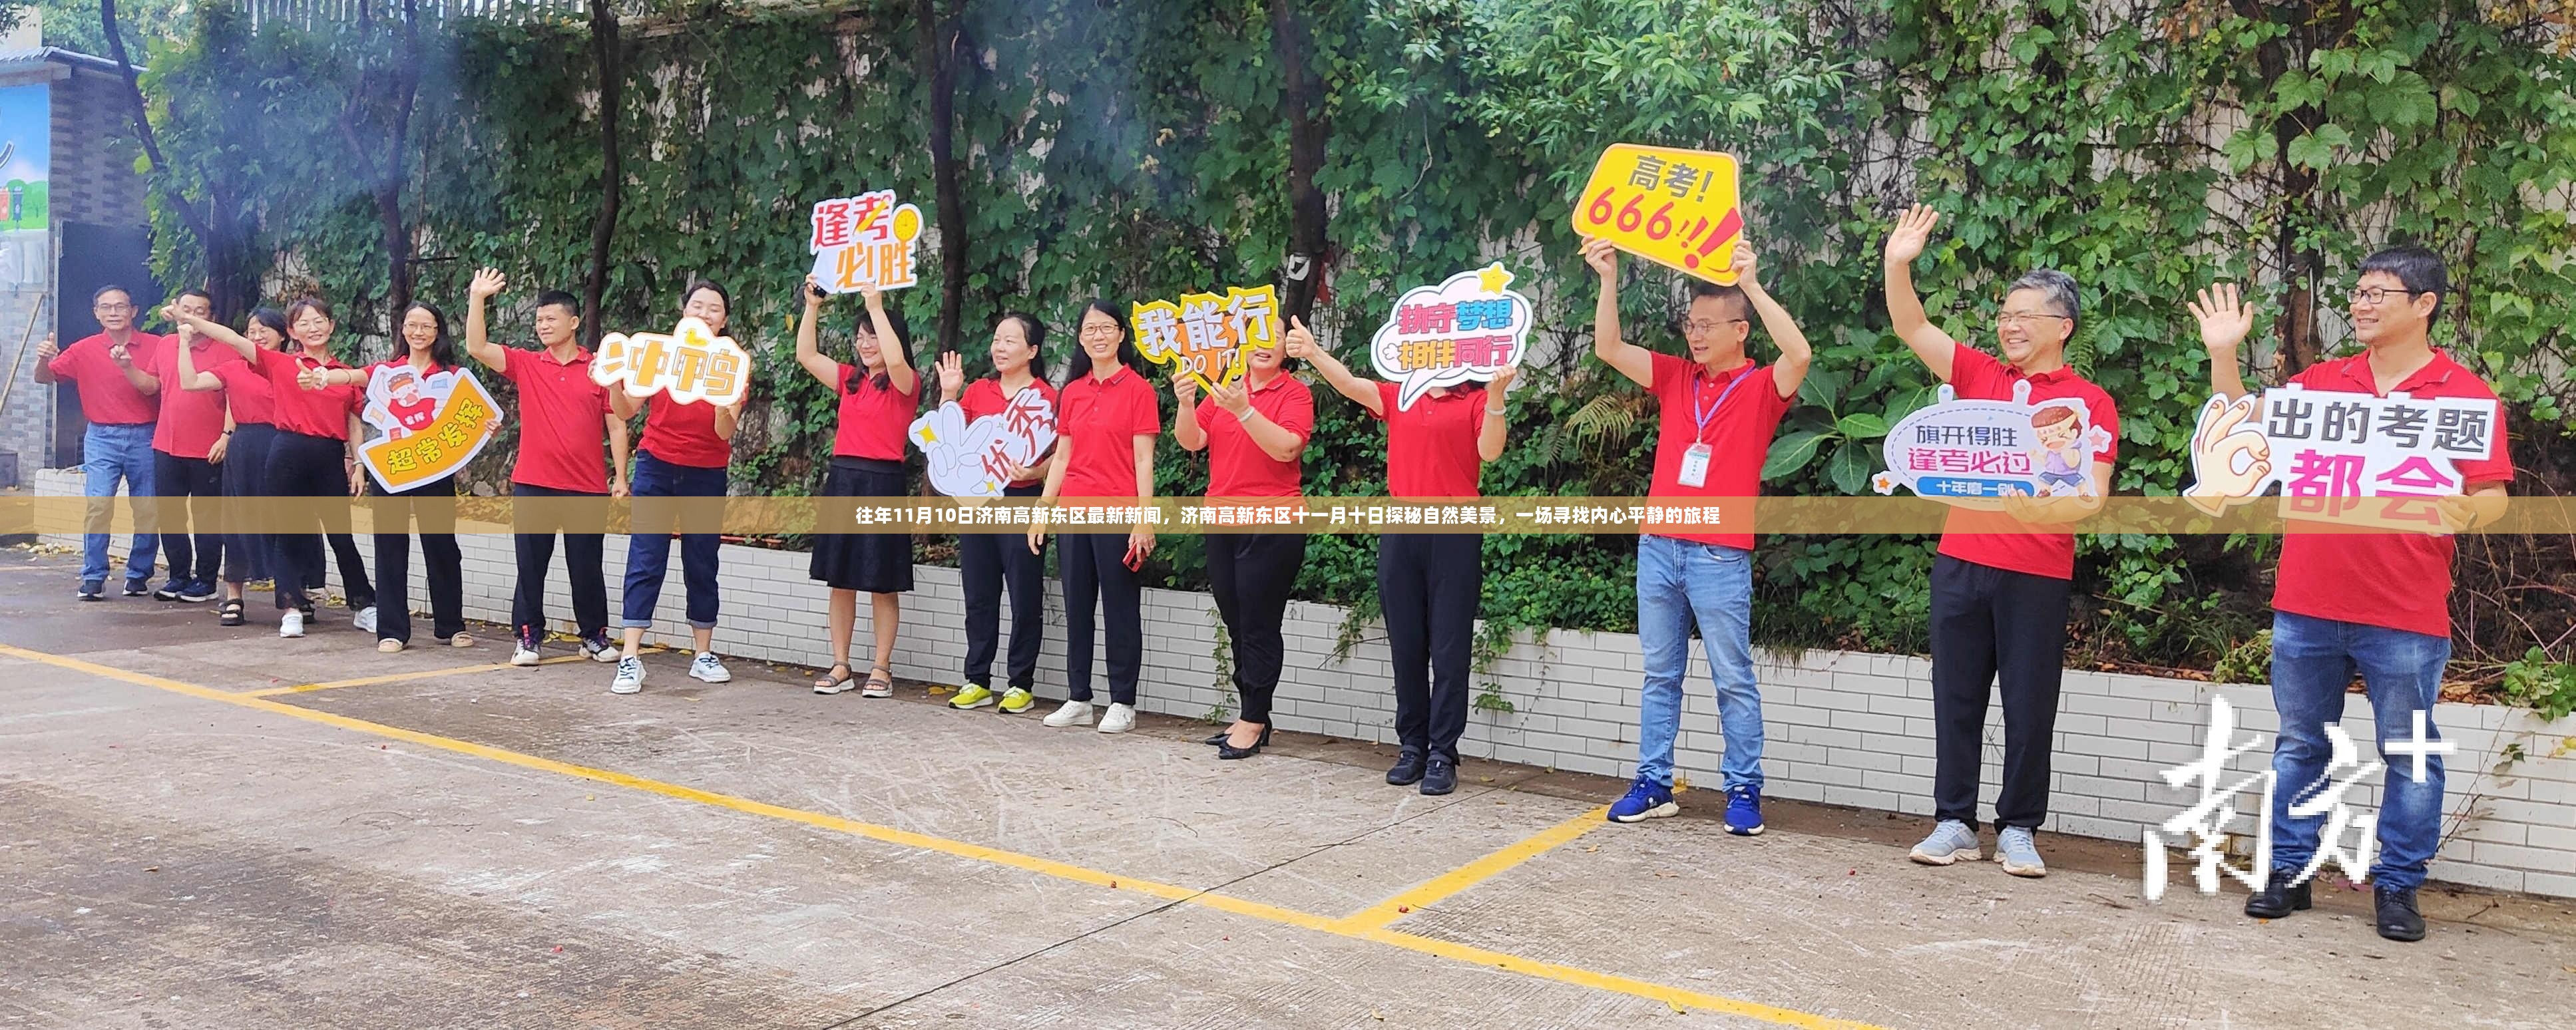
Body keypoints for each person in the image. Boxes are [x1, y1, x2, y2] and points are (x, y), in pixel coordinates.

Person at [2197, 250, 2513, 943]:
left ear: (2424, 303)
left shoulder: (2464, 397)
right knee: (2299, 746)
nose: (2362, 305)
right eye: (2358, 292)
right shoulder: (2322, 384)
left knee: (2409, 753)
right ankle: (2289, 872)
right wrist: (2225, 358)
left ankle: (2398, 889)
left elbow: (2491, 497)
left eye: (2378, 293)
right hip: (2307, 602)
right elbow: (2242, 443)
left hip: (2404, 610)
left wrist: (2465, 513)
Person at [1883, 204, 2118, 878]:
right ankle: (1953, 821)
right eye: (2004, 316)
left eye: (2025, 317)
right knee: (1955, 696)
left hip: (2037, 574)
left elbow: (2092, 497)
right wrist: (1899, 263)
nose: (2009, 327)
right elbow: (1913, 326)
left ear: (2062, 327)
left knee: (2029, 703)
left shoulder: (2087, 404)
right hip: (1961, 563)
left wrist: (2038, 510)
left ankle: (2018, 828)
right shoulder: (1982, 378)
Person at [1584, 234, 1811, 833]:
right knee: (1660, 674)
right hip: (1659, 546)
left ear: (1742, 330)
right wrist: (1608, 276)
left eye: (1710, 324)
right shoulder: (1676, 377)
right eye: (1691, 323)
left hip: (1719, 553)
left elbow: (1800, 354)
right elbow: (1608, 346)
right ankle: (1654, 782)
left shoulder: (1763, 387)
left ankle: (1743, 789)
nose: (1697, 334)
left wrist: (1755, 285)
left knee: (1732, 677)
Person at [1287, 315, 1511, 796]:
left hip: (1454, 528)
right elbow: (1349, 384)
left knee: (1450, 648)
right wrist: (1312, 351)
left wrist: (1495, 400)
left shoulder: (1473, 399)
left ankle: (1442, 753)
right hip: (1401, 527)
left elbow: (1490, 453)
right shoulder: (1398, 395)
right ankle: (1411, 745)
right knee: (1406, 643)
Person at [170, 297, 369, 638]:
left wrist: (360, 463)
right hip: (287, 450)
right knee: (286, 532)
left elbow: (353, 422)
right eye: (304, 323)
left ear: (331, 326)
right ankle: (289, 608)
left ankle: (365, 606)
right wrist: (189, 322)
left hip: (328, 455)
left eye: (319, 321)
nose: (313, 328)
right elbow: (232, 340)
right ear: (292, 331)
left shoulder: (344, 373)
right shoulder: (280, 364)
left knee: (341, 535)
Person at [463, 267, 628, 666]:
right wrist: (477, 298)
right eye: (538, 320)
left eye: (551, 319)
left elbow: (617, 423)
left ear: (573, 323)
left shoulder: (598, 370)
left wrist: (621, 477)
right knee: (531, 566)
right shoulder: (527, 364)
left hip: (587, 486)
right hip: (534, 483)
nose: (543, 326)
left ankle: (594, 636)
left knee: (587, 567)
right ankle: (528, 637)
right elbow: (477, 347)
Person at [1172, 321, 1313, 759]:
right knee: (1236, 619)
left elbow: (1287, 448)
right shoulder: (1228, 389)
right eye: (1254, 337)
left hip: (1273, 520)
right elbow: (1192, 439)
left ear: (1285, 347)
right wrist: (1186, 401)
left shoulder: (1294, 394)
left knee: (1258, 621)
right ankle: (1254, 711)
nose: (1263, 346)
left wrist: (1245, 411)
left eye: (1272, 336)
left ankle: (1253, 719)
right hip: (1222, 517)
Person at [304, 301, 478, 653]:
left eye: (426, 326)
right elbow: (353, 376)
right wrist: (324, 376)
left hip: (434, 467)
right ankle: (393, 630)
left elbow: (474, 415)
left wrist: (484, 425)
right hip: (392, 468)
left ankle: (450, 625)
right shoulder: (386, 370)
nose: (418, 332)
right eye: (412, 324)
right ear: (402, 330)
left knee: (443, 546)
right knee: (390, 547)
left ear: (437, 331)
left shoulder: (450, 376)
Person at [1027, 302, 1160, 733]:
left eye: (1107, 328)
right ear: (1081, 338)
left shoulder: (1139, 389)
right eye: (1090, 329)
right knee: (1077, 607)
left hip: (1118, 512)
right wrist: (1042, 513)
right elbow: (1062, 456)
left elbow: (1144, 460)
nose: (1098, 335)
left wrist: (1144, 519)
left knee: (1121, 609)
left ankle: (1123, 701)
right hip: (1073, 512)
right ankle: (1078, 697)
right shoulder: (1074, 391)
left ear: (1122, 335)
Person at [608, 280, 743, 695]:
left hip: (706, 471)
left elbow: (726, 431)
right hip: (657, 466)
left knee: (702, 561)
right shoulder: (660, 355)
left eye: (714, 308)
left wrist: (724, 408)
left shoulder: (732, 363)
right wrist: (614, 380)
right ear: (683, 312)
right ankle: (630, 657)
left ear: (724, 321)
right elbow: (627, 409)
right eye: (697, 306)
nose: (704, 313)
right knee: (646, 557)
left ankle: (703, 654)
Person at [796, 276, 917, 697]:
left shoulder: (905, 384)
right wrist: (812, 306)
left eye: (875, 337)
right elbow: (807, 354)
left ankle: (881, 668)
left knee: (882, 582)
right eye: (861, 337)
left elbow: (898, 363)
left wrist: (876, 306)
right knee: (841, 579)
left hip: (883, 482)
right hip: (844, 478)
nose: (867, 344)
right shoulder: (850, 379)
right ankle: (842, 664)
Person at [939, 313, 1056, 715]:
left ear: (1032, 350)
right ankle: (977, 679)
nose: (1000, 347)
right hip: (977, 503)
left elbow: (1064, 454)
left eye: (1010, 340)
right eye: (997, 339)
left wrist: (1037, 471)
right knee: (979, 594)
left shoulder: (1047, 397)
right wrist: (949, 395)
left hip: (1024, 503)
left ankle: (1020, 684)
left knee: (1024, 595)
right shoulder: (978, 391)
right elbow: (950, 439)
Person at [35, 285, 163, 600]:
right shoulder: (83, 349)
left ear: (133, 311)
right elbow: (44, 377)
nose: (114, 313)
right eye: (106, 308)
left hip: (146, 434)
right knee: (98, 506)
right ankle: (93, 576)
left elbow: (156, 387)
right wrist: (43, 359)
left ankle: (138, 575)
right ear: (97, 313)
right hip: (102, 436)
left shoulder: (157, 346)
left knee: (147, 508)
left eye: (120, 307)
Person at [177, 307, 292, 627]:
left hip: (283, 445)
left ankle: (291, 597)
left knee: (284, 522)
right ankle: (234, 597)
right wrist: (184, 343)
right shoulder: (232, 368)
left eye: (265, 329)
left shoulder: (291, 367)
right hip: (244, 447)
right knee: (237, 520)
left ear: (283, 335)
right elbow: (190, 382)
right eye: (252, 330)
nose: (257, 335)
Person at [131, 289, 235, 604]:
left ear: (211, 318)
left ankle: (206, 581)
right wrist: (125, 366)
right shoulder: (166, 345)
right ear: (175, 311)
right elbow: (151, 385)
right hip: (167, 444)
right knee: (171, 514)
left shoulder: (226, 349)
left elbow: (235, 396)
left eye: (199, 311)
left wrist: (227, 436)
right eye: (185, 309)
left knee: (206, 517)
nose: (191, 316)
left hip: (208, 447)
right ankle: (178, 576)